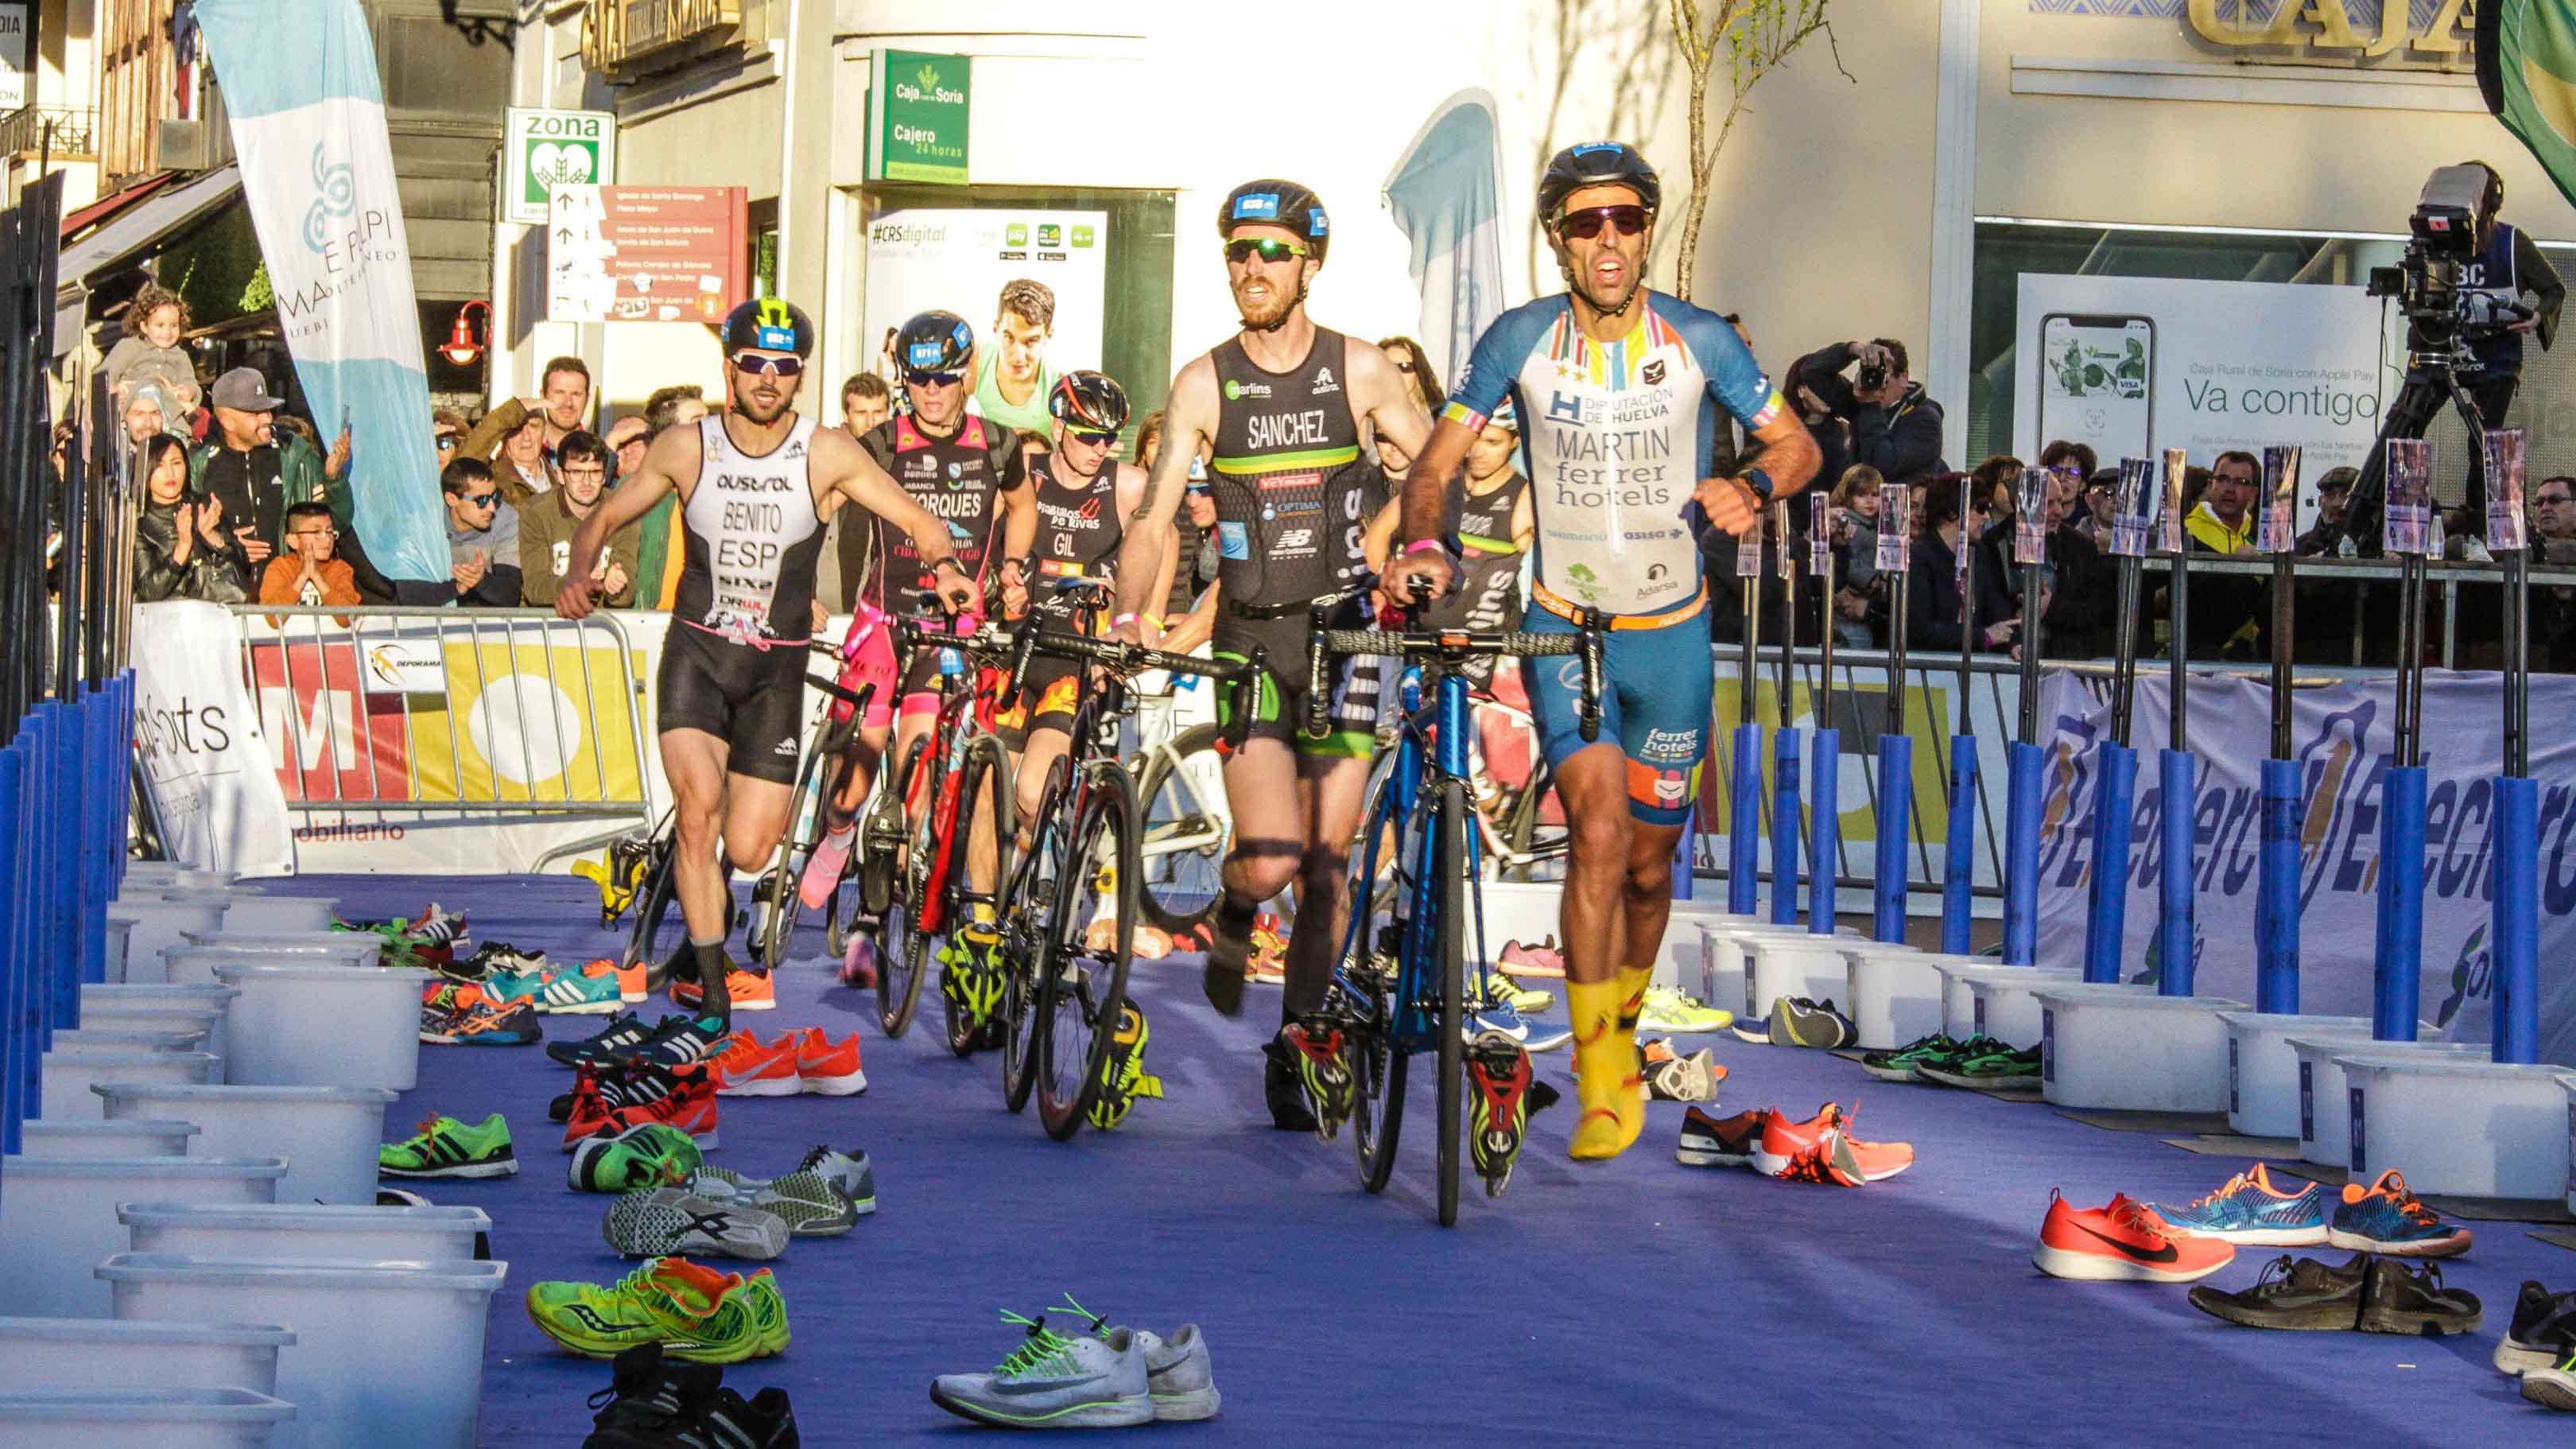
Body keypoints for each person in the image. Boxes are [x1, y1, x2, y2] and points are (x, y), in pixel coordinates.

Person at [1385, 142, 1821, 1167]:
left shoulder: (1701, 338)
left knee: (1650, 862)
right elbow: (1436, 465)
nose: (1609, 240)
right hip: (1561, 631)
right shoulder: (1520, 339)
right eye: (1586, 224)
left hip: (1671, 635)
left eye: (1626, 219)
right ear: (1559, 239)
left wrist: (1751, 488)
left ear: (1649, 226)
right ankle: (1599, 1072)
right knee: (1596, 833)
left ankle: (1622, 1027)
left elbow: (1797, 443)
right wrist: (1423, 541)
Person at [1104, 177, 1439, 1135]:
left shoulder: (1364, 371)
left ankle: (1296, 1046)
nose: (1251, 269)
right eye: (1238, 254)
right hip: (1253, 637)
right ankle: (1232, 902)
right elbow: (1152, 519)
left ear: (1311, 265)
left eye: (1271, 253)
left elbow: (1434, 475)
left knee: (1329, 864)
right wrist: (1134, 613)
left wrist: (1406, 545)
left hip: (1350, 636)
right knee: (1274, 860)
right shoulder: (1206, 382)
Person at [559, 297, 974, 1032]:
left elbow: (918, 519)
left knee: (748, 846)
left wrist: (943, 566)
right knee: (698, 811)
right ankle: (713, 991)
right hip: (697, 656)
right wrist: (580, 572)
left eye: (783, 368)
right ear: (729, 367)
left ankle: (704, 897)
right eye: (754, 364)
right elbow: (606, 515)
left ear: (799, 376)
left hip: (773, 675)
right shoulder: (689, 446)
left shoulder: (827, 451)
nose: (767, 378)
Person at [809, 309, 1035, 1017]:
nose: (930, 393)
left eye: (942, 379)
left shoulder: (1000, 444)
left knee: (914, 759)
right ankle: (841, 832)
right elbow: (819, 506)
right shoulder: (877, 441)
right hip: (883, 616)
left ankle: (877, 918)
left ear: (967, 374)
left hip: (953, 625)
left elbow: (1022, 506)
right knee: (859, 769)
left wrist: (1017, 565)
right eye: (917, 381)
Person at [993, 372, 1172, 837]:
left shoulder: (1124, 482)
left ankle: (1038, 889)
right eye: (1090, 435)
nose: (1101, 448)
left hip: (1073, 659)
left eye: (1110, 438)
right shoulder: (1026, 467)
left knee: (1032, 792)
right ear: (1057, 427)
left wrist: (1147, 617)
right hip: (1013, 648)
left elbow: (1165, 536)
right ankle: (997, 904)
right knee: (988, 795)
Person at [188, 367, 336, 566]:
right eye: (256, 413)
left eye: (267, 410)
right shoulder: (198, 464)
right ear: (228, 422)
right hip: (225, 594)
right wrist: (225, 544)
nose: (267, 418)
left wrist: (335, 481)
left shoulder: (297, 456)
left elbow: (337, 523)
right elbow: (179, 536)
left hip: (287, 591)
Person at [518, 429, 638, 609]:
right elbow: (535, 588)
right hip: (548, 623)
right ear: (561, 475)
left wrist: (617, 588)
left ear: (605, 476)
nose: (587, 482)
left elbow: (626, 596)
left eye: (595, 472)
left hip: (600, 626)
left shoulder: (623, 513)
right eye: (576, 472)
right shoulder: (536, 512)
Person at [134, 433, 250, 603]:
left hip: (219, 613)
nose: (170, 473)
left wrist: (212, 536)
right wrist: (183, 547)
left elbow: (244, 565)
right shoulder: (139, 522)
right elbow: (150, 591)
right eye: (159, 466)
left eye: (176, 463)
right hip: (170, 619)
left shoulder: (203, 506)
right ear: (146, 469)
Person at [1906, 477, 2015, 654]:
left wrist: (2012, 645)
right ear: (1952, 512)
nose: (1987, 516)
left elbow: (1997, 608)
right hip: (1927, 671)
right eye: (1980, 509)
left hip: (1971, 669)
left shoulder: (1980, 553)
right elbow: (1920, 628)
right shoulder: (1919, 557)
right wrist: (1983, 636)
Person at [630, 385, 713, 610]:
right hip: (647, 627)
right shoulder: (636, 492)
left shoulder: (722, 492)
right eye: (697, 421)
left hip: (700, 629)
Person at [969, 278, 1062, 435]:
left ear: (1048, 335)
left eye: (1030, 341)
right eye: (1009, 337)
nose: (1018, 357)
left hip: (1039, 458)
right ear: (996, 329)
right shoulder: (977, 361)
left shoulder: (1058, 389)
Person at [104, 284, 202, 419]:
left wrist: (188, 391)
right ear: (144, 326)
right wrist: (115, 389)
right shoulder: (129, 347)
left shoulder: (180, 356)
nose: (167, 332)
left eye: (173, 325)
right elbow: (105, 375)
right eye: (160, 325)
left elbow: (191, 382)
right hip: (134, 414)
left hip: (168, 418)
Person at [258, 501, 363, 623]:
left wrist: (316, 577)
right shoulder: (280, 567)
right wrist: (302, 577)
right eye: (316, 532)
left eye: (330, 532)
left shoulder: (340, 569)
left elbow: (348, 619)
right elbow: (273, 619)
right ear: (293, 540)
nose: (327, 539)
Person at [442, 456, 523, 607]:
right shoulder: (427, 521)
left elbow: (511, 593)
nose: (492, 508)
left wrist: (482, 581)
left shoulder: (506, 520)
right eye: (482, 501)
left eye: (495, 496)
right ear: (452, 499)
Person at [1825, 464, 1884, 649]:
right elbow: (1844, 562)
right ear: (1849, 497)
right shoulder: (1845, 524)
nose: (1870, 501)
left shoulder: (1877, 527)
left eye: (1875, 495)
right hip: (1846, 607)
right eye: (1861, 495)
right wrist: (1871, 580)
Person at [2297, 467, 2357, 557]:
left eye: (2346, 495)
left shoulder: (2373, 547)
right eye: (2330, 495)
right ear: (2320, 501)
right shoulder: (2299, 547)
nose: (2337, 503)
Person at [841, 373, 892, 439]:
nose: (870, 423)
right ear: (845, 415)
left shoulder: (900, 444)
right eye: (861, 413)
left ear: (887, 413)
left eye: (877, 413)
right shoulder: (830, 447)